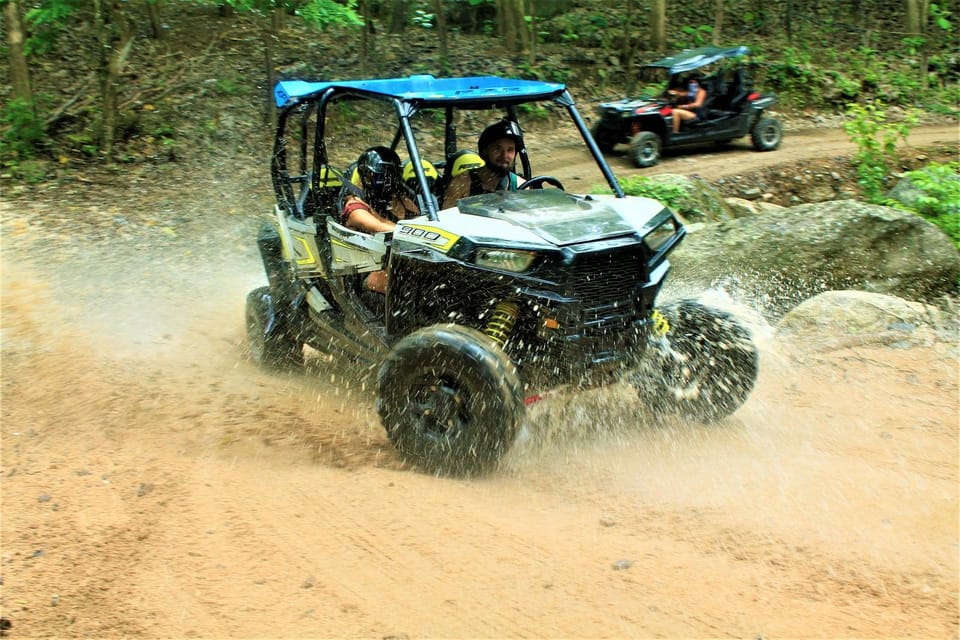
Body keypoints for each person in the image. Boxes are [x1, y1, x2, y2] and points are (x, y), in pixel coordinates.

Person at [340, 146, 419, 292]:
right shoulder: (355, 206)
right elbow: (378, 227)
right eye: (382, 178)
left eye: (391, 177)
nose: (388, 183)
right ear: (367, 177)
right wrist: (419, 234)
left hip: (402, 268)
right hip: (367, 276)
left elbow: (422, 222)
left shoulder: (403, 200)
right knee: (404, 284)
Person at [441, 120, 523, 208]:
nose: (504, 155)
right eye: (497, 149)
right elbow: (446, 216)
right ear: (485, 151)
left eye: (510, 150)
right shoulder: (463, 183)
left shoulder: (521, 186)